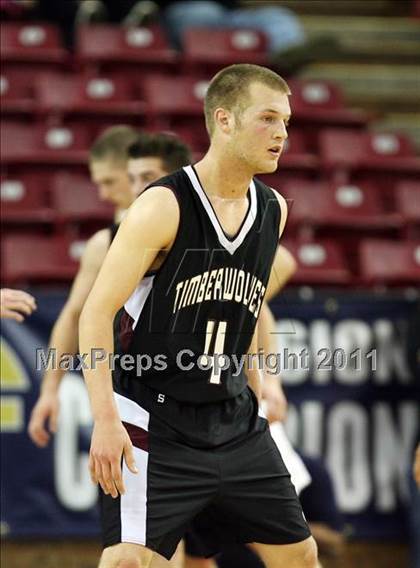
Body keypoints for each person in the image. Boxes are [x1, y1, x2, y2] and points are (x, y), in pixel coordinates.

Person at [79, 63, 318, 568]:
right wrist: (104, 416)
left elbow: (250, 311)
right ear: (224, 120)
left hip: (232, 418)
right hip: (153, 417)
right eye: (268, 119)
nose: (281, 134)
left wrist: (265, 379)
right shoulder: (163, 205)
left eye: (287, 122)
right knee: (129, 561)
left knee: (299, 554)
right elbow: (95, 314)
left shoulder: (274, 209)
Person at [28, 125, 139, 448]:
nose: (103, 194)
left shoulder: (186, 225)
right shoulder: (104, 243)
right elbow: (75, 314)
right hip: (129, 390)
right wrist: (50, 390)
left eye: (109, 181)